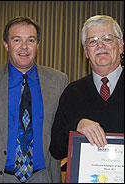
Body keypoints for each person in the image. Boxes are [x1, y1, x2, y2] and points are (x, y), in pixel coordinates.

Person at [0, 16, 68, 183]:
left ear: (37, 45)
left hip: (42, 176)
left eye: (30, 40)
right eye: (17, 40)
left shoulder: (58, 81)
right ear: (6, 45)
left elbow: (63, 128)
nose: (24, 46)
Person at [49, 15, 124, 161]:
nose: (100, 45)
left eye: (107, 38)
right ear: (86, 52)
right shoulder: (72, 93)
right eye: (92, 41)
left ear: (121, 46)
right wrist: (76, 126)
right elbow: (56, 150)